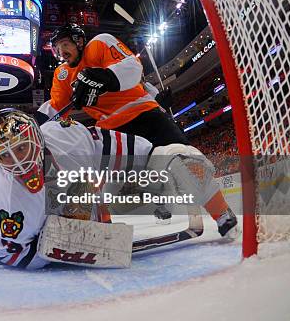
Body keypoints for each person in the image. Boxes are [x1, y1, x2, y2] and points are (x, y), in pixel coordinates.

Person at [0, 108, 238, 270]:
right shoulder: (6, 201)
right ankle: (99, 222)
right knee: (75, 199)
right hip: (54, 229)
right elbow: (13, 254)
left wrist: (165, 163)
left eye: (20, 148)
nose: (18, 162)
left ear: (36, 137)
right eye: (4, 156)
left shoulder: (65, 136)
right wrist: (59, 249)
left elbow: (122, 151)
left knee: (182, 160)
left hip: (95, 195)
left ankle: (223, 215)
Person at [38, 24, 190, 223]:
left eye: (65, 44)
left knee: (184, 156)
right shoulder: (62, 75)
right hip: (113, 129)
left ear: (79, 41)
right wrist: (36, 125)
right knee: (121, 181)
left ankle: (216, 205)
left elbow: (132, 68)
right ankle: (154, 202)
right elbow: (57, 107)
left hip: (144, 113)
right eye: (56, 49)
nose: (60, 52)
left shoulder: (100, 43)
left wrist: (102, 78)